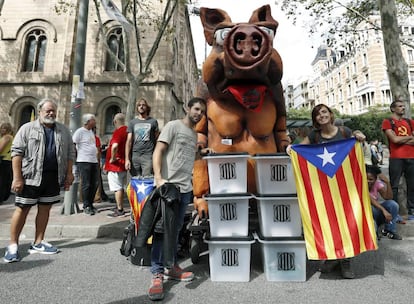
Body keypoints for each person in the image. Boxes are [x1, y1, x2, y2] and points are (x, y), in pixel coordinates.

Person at [288, 104, 366, 279]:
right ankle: (332, 257)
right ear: (315, 119)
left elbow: (356, 137)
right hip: (324, 189)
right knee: (328, 221)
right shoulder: (314, 135)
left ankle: (346, 260)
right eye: (317, 114)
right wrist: (291, 148)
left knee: (346, 220)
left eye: (324, 112)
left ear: (330, 114)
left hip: (345, 186)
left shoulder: (345, 131)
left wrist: (359, 134)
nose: (321, 116)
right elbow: (300, 149)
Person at [147, 97, 209, 301]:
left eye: (202, 111)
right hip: (168, 187)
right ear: (188, 108)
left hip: (185, 189)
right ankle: (157, 273)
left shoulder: (193, 134)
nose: (199, 113)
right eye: (196, 109)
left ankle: (171, 266)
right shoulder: (173, 126)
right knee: (162, 230)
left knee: (175, 231)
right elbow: (159, 150)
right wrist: (158, 177)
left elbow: (187, 157)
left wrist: (203, 153)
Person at [3, 98, 74, 263]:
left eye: (53, 110)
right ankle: (13, 245)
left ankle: (38, 242)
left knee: (45, 209)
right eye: (48, 110)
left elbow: (70, 153)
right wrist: (17, 178)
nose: (51, 113)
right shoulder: (27, 129)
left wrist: (69, 174)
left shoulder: (63, 130)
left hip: (52, 177)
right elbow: (16, 153)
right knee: (22, 209)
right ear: (40, 111)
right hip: (30, 178)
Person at [381, 100, 414, 216]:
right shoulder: (388, 122)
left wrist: (401, 140)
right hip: (396, 158)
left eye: (403, 106)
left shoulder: (410, 122)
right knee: (394, 185)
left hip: (412, 157)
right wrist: (409, 138)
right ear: (393, 109)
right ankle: (394, 210)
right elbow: (393, 140)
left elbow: (397, 139)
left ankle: (412, 209)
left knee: (412, 184)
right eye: (400, 106)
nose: (403, 108)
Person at [72, 114, 100, 216]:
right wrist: (75, 159)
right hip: (84, 160)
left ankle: (91, 203)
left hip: (93, 161)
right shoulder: (80, 132)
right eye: (93, 120)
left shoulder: (91, 132)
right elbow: (73, 144)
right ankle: (86, 205)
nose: (95, 122)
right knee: (86, 184)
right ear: (88, 121)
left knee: (95, 183)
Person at [366, 165, 402, 240]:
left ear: (375, 179)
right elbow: (369, 199)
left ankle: (389, 230)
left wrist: (387, 183)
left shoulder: (377, 184)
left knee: (393, 204)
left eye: (371, 179)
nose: (368, 181)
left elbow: (388, 197)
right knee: (370, 208)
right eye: (366, 179)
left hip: (376, 213)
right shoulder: (360, 184)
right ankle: (373, 233)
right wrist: (384, 210)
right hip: (366, 214)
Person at [125, 98, 159, 177]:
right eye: (139, 105)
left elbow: (157, 139)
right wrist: (127, 159)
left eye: (143, 105)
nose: (141, 107)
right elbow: (128, 141)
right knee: (135, 180)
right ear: (137, 108)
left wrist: (157, 156)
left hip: (148, 155)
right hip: (135, 155)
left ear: (147, 107)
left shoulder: (153, 121)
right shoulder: (132, 122)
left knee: (147, 180)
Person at [104, 113, 128, 218]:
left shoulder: (118, 132)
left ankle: (120, 209)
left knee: (117, 187)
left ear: (114, 122)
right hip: (124, 164)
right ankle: (120, 206)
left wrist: (112, 158)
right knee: (122, 187)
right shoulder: (127, 131)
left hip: (115, 166)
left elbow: (115, 146)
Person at [0, 123, 14, 203]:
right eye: (2, 128)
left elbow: (1, 149)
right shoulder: (9, 137)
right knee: (5, 179)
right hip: (7, 160)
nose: (2, 130)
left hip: (4, 159)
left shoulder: (7, 137)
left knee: (2, 180)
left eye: (4, 128)